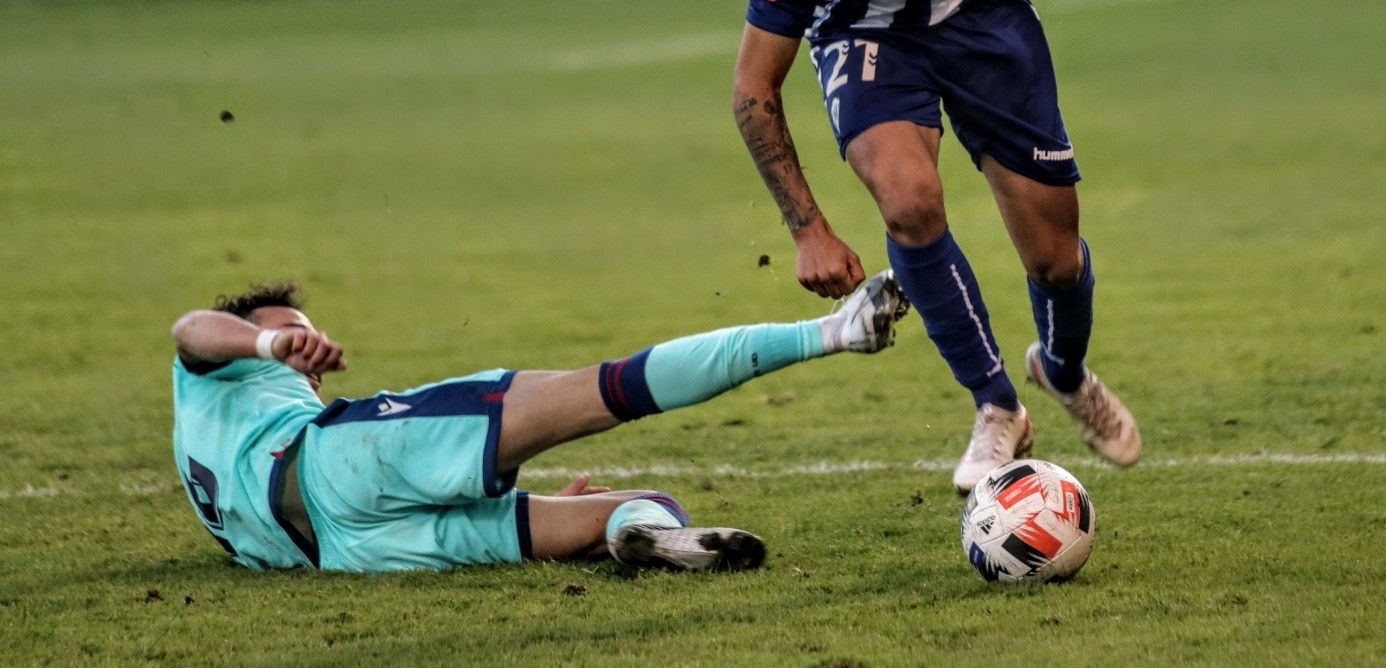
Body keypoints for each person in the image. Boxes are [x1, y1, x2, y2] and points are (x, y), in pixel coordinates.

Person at [731, 0, 1143, 492]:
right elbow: (754, 88)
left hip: (987, 20)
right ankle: (997, 404)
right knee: (909, 201)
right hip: (873, 37)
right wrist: (807, 230)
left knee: (1054, 259)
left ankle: (1062, 370)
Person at [170, 274, 908, 573]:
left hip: (351, 550)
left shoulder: (209, 430)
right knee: (603, 390)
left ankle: (639, 537)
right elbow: (190, 327)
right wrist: (270, 342)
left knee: (618, 506)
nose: (304, 343)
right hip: (342, 461)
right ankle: (832, 332)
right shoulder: (219, 363)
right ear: (248, 329)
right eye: (290, 327)